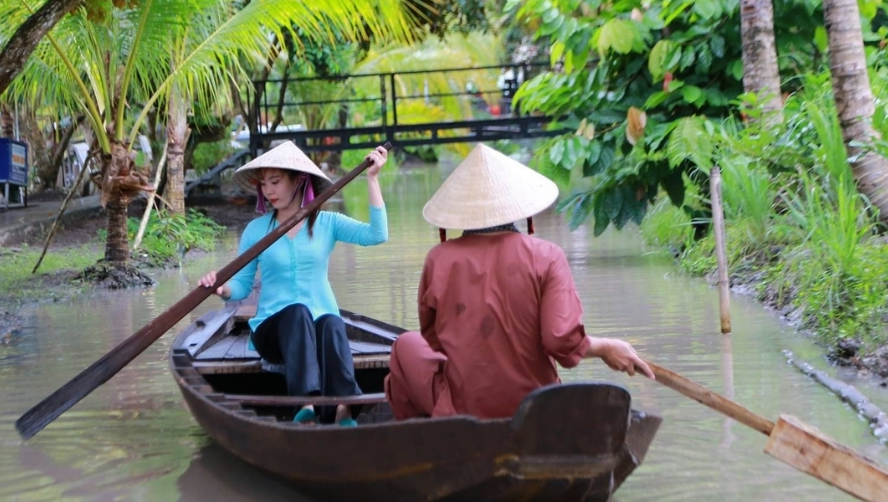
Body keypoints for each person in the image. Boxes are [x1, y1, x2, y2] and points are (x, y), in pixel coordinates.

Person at [384, 144, 653, 421]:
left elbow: (434, 340)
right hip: (538, 408)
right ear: (517, 207)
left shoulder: (438, 259)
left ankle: (421, 442)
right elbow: (560, 341)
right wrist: (606, 347)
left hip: (464, 409)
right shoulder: (547, 256)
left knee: (405, 345)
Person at [199, 142, 389, 426]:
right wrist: (222, 288)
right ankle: (306, 404)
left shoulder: (327, 222)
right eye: (264, 184)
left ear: (298, 181)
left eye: (275, 182)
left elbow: (377, 234)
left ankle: (344, 409)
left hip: (318, 329)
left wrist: (372, 178)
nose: (268, 191)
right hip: (273, 332)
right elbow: (241, 286)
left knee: (332, 322)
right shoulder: (257, 230)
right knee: (297, 312)